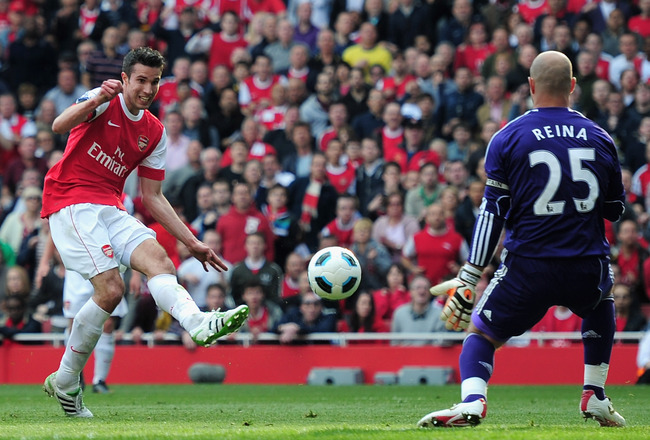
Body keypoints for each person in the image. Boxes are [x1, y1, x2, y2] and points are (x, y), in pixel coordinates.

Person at [417, 51, 626, 428]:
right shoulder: (600, 137)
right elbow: (614, 210)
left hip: (529, 264)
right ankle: (594, 393)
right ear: (573, 86)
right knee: (601, 301)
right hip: (585, 261)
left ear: (530, 85)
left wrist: (469, 275)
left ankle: (473, 401)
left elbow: (492, 211)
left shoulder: (508, 136)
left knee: (481, 334)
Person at [40, 47, 249, 418]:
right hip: (71, 200)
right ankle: (68, 379)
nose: (148, 89)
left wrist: (192, 241)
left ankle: (197, 322)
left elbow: (153, 197)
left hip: (110, 206)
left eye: (154, 82)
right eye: (140, 80)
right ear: (124, 79)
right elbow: (58, 126)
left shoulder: (155, 132)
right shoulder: (104, 99)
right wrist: (96, 99)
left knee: (160, 261)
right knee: (111, 289)